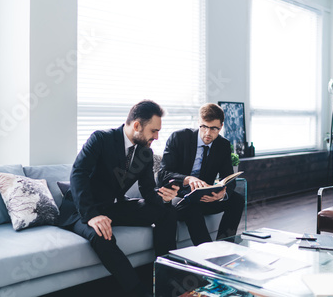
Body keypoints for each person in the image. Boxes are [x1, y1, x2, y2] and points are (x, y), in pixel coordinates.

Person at [57, 100, 179, 297]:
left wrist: (164, 197)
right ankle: (139, 292)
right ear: (137, 125)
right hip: (81, 209)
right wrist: (91, 215)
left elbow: (147, 191)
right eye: (153, 131)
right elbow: (78, 174)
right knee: (102, 235)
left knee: (168, 211)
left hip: (112, 206)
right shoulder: (101, 139)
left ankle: (166, 281)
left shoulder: (145, 153)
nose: (157, 137)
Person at [158, 103, 244, 246]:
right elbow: (163, 174)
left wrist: (222, 194)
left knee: (237, 200)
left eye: (213, 129)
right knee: (192, 208)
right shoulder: (179, 138)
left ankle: (225, 245)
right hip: (178, 197)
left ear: (221, 127)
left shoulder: (222, 145)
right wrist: (187, 179)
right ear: (198, 123)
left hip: (204, 197)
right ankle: (208, 254)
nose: (207, 133)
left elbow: (228, 177)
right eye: (204, 127)